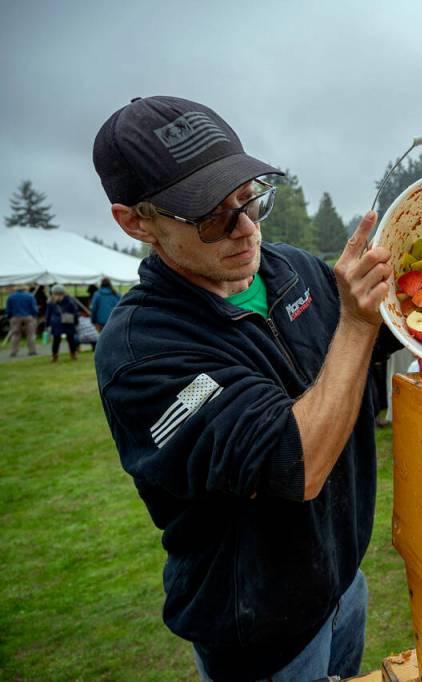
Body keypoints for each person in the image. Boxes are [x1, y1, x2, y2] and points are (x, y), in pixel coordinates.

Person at [91, 96, 396, 681]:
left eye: (249, 199)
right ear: (136, 222)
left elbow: (372, 350)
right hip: (260, 634)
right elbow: (296, 461)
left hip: (343, 587)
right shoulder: (144, 351)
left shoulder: (293, 270)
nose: (247, 230)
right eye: (211, 217)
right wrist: (356, 325)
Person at [45, 284, 80, 362]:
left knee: (69, 339)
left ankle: (72, 354)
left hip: (66, 322)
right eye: (55, 294)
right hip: (59, 323)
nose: (56, 296)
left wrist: (47, 324)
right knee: (58, 340)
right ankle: (56, 356)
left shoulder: (69, 301)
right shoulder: (51, 302)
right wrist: (47, 324)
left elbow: (75, 312)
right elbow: (48, 314)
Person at [5, 286, 39, 357]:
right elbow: (34, 308)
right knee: (30, 334)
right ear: (25, 289)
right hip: (28, 316)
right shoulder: (30, 296)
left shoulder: (11, 297)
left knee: (15, 335)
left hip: (15, 317)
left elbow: (8, 309)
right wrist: (35, 315)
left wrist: (9, 316)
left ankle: (13, 352)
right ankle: (32, 351)